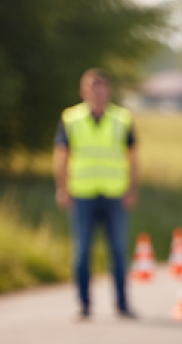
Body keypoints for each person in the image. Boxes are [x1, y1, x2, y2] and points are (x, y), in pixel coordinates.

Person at [55, 68, 139, 320]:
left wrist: (132, 189)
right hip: (83, 193)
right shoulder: (71, 119)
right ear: (84, 92)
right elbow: (61, 156)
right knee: (82, 252)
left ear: (108, 91)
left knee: (117, 250)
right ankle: (84, 305)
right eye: (93, 89)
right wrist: (62, 187)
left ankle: (122, 304)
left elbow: (133, 158)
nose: (98, 94)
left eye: (102, 89)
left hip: (115, 193)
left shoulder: (122, 119)